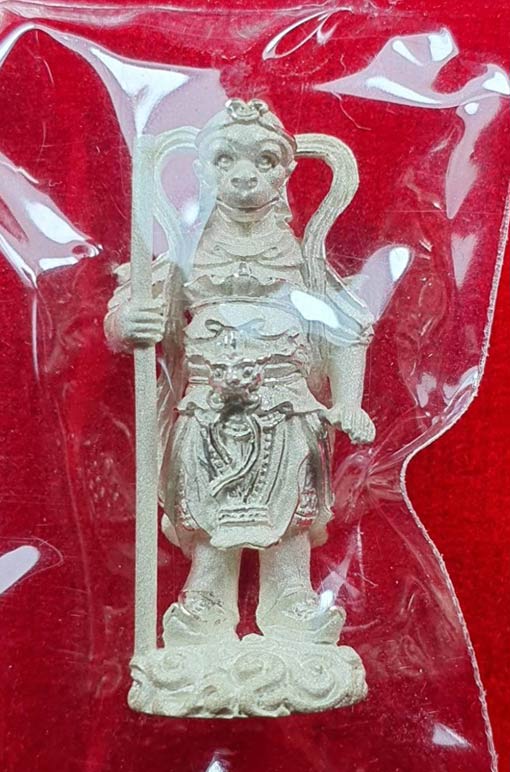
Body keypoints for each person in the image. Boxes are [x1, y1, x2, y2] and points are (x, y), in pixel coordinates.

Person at [105, 98, 375, 649]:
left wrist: (348, 399)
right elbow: (128, 308)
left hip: (287, 403)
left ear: (286, 171)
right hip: (206, 403)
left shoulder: (304, 257)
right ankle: (206, 596)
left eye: (265, 160)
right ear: (202, 169)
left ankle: (291, 594)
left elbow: (347, 329)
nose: (245, 175)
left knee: (291, 504)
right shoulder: (186, 251)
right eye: (225, 159)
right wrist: (127, 322)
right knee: (206, 501)